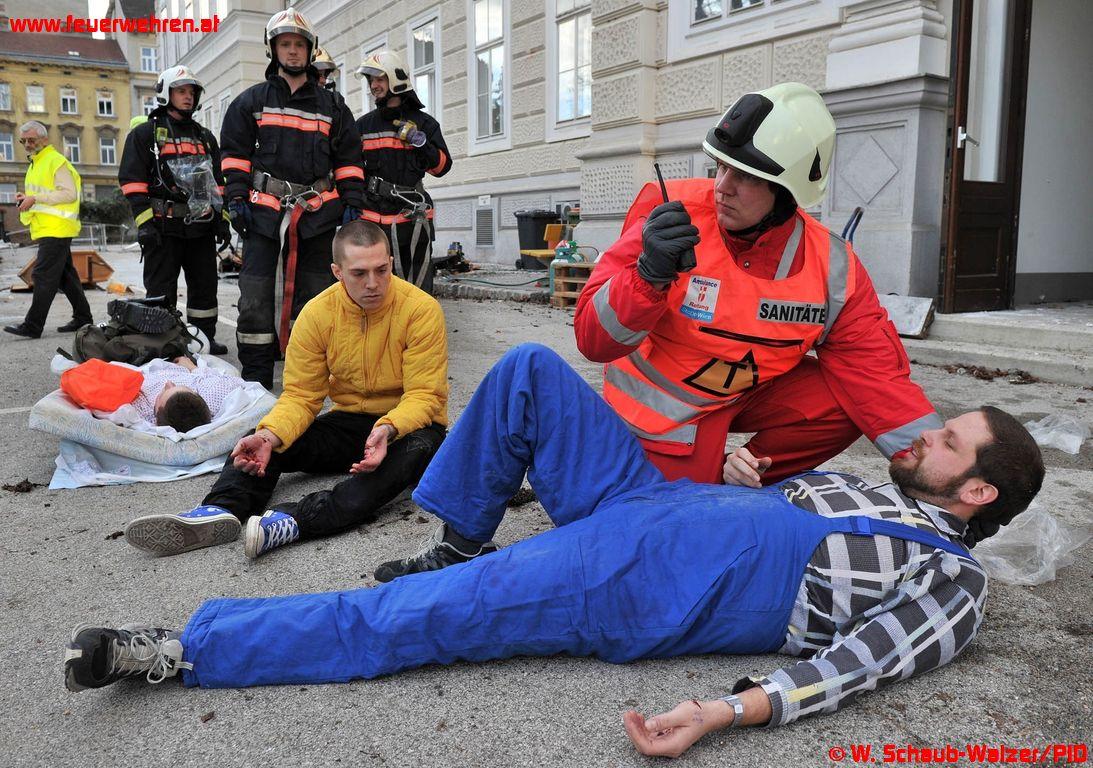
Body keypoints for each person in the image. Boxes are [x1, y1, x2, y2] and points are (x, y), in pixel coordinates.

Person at [63, 344, 1044, 761]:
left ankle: (187, 650)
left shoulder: (949, 579)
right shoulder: (870, 487)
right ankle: (458, 539)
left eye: (948, 445)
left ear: (977, 493)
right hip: (647, 499)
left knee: (422, 622)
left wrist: (722, 710)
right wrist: (749, 476)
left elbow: (852, 670)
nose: (925, 438)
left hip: (638, 582)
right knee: (532, 370)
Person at [575, 82, 940, 487]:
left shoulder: (832, 266)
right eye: (721, 165)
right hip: (662, 415)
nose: (721, 186)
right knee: (674, 516)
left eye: (745, 176)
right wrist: (648, 274)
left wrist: (942, 473)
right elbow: (594, 341)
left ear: (787, 193)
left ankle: (743, 472)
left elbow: (877, 377)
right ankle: (701, 475)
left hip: (740, 396)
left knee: (845, 399)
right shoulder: (669, 218)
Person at [122, 220, 447, 559]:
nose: (373, 283)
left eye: (381, 270)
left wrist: (388, 428)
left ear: (391, 263)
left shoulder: (421, 310)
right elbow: (302, 397)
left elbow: (425, 396)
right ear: (337, 271)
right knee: (259, 437)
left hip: (409, 429)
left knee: (409, 456)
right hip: (349, 423)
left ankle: (296, 520)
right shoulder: (317, 314)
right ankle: (219, 511)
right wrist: (270, 437)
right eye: (359, 273)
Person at [220, 9, 366, 389]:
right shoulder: (250, 101)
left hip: (317, 218)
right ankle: (255, 384)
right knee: (254, 300)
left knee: (315, 302)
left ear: (310, 50)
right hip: (263, 217)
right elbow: (234, 155)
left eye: (299, 45)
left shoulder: (333, 107)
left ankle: (306, 386)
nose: (293, 51)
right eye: (285, 44)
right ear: (273, 50)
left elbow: (349, 159)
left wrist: (352, 202)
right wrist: (235, 198)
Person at [119, 66, 231, 355]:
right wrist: (145, 224)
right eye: (181, 91)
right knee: (161, 290)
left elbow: (218, 184)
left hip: (201, 226)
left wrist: (222, 220)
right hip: (162, 227)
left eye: (191, 92)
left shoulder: (206, 137)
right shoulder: (145, 134)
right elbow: (132, 182)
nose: (188, 97)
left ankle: (204, 337)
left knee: (205, 287)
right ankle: (163, 340)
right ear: (165, 94)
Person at [355, 50, 451, 294]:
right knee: (377, 287)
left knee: (417, 289)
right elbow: (352, 170)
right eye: (371, 81)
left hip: (413, 218)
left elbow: (441, 167)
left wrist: (420, 141)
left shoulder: (425, 124)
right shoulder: (363, 126)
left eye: (379, 79)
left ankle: (418, 331)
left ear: (395, 80)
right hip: (373, 221)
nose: (374, 86)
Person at [4, 121, 92, 339]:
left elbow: (69, 194)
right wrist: (27, 198)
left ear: (44, 138)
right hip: (50, 228)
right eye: (23, 140)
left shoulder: (55, 161)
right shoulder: (37, 163)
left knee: (43, 275)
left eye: (31, 139)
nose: (27, 144)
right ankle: (83, 318)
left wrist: (35, 198)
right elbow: (43, 194)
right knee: (65, 276)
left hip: (57, 228)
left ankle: (33, 325)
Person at [130, 356, 246, 433]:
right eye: (175, 386)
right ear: (197, 394)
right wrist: (192, 367)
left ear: (155, 416)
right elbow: (240, 383)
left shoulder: (140, 408)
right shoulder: (213, 395)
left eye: (162, 394)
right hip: (178, 361)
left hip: (138, 365)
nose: (169, 383)